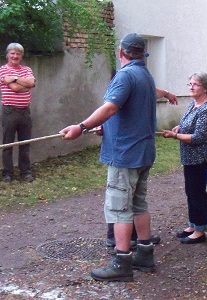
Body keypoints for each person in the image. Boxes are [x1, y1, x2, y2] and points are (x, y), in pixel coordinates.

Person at [60, 33, 157, 282]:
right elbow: (127, 111)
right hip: (142, 151)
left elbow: (111, 107)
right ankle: (145, 254)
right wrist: (106, 126)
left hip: (125, 154)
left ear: (121, 52)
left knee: (119, 208)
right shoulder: (145, 75)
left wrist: (80, 127)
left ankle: (122, 262)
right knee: (138, 204)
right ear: (142, 53)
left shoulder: (125, 75)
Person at [105, 87, 178, 249]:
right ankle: (120, 241)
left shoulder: (139, 79)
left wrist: (166, 94)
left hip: (136, 152)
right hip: (126, 153)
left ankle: (137, 246)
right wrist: (88, 126)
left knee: (130, 199)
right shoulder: (128, 80)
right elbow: (110, 112)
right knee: (121, 200)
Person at [162, 72, 207, 244]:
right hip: (189, 156)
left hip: (201, 157)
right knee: (191, 191)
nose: (191, 87)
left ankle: (200, 230)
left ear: (205, 88)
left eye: (195, 84)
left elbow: (198, 137)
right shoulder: (193, 104)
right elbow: (187, 124)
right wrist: (179, 127)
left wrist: (174, 136)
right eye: (190, 84)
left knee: (197, 192)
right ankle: (193, 224)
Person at [0, 43, 36, 183]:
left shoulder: (27, 69)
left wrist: (14, 78)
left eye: (18, 54)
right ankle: (7, 173)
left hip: (25, 111)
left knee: (25, 143)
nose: (15, 56)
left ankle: (26, 172)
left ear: (21, 56)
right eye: (12, 53)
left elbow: (31, 83)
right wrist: (24, 85)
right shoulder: (3, 70)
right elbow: (15, 88)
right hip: (10, 111)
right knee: (8, 144)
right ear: (7, 54)